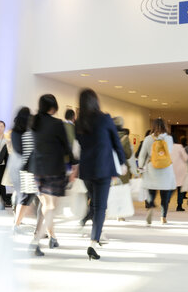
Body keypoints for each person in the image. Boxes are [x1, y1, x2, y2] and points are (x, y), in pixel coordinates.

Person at [75, 89, 125, 260]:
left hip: (87, 170)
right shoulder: (105, 118)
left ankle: (91, 228)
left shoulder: (79, 123)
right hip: (104, 169)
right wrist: (122, 162)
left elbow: (80, 144)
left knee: (95, 204)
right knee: (100, 207)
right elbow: (116, 143)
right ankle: (93, 242)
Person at [30, 94, 77, 257]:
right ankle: (36, 240)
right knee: (51, 207)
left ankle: (52, 237)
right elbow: (66, 147)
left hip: (38, 170)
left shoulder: (34, 122)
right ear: (53, 107)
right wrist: (73, 165)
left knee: (45, 206)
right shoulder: (57, 123)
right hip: (54, 170)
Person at [138, 119, 176, 225]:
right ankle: (163, 217)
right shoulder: (169, 138)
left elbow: (142, 155)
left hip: (152, 167)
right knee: (165, 195)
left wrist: (140, 167)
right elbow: (170, 152)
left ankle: (150, 207)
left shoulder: (148, 139)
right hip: (165, 168)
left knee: (151, 191)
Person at [10, 107, 41, 233]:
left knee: (24, 197)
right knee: (26, 198)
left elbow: (19, 151)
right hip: (28, 170)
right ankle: (17, 225)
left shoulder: (16, 132)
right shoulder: (29, 133)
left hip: (19, 168)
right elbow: (29, 152)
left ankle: (19, 224)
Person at [171, 135, 188, 211]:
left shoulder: (166, 146)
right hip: (180, 170)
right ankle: (179, 205)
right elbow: (186, 157)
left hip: (171, 169)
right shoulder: (179, 146)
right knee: (180, 189)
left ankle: (166, 200)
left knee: (171, 188)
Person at [113, 116, 134, 184]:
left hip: (110, 167)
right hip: (122, 167)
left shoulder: (106, 136)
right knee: (122, 190)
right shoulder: (125, 137)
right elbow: (128, 154)